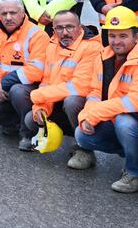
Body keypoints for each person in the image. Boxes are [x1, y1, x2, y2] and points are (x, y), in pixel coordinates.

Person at [74, 7, 138, 192]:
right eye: (112, 36)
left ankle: (136, 174)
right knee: (81, 134)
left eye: (123, 36)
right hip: (111, 118)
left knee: (125, 123)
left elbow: (137, 101)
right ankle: (131, 151)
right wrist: (86, 116)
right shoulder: (103, 56)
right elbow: (94, 92)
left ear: (136, 37)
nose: (116, 41)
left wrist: (95, 113)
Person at [25, 10, 102, 166]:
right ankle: (54, 138)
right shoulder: (52, 45)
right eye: (59, 28)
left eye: (70, 27)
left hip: (84, 106)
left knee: (72, 101)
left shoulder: (92, 47)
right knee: (31, 119)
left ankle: (85, 150)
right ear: (53, 30)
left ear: (80, 27)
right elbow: (46, 81)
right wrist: (41, 107)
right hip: (57, 100)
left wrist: (39, 96)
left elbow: (80, 86)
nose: (65, 32)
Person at [0, 0, 48, 150]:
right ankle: (15, 121)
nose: (8, 17)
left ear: (22, 12)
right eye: (3, 14)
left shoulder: (37, 35)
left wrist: (5, 83)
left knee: (17, 91)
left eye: (13, 13)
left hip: (28, 91)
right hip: (0, 91)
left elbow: (36, 70)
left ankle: (30, 133)